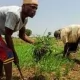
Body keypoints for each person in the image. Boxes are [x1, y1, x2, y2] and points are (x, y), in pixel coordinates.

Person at [0, 0, 38, 80]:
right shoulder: (14, 13)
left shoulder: (25, 19)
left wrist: (37, 43)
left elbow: (22, 35)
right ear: (23, 6)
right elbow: (8, 35)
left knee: (1, 54)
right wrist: (14, 55)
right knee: (8, 54)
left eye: (36, 9)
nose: (34, 10)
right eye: (32, 7)